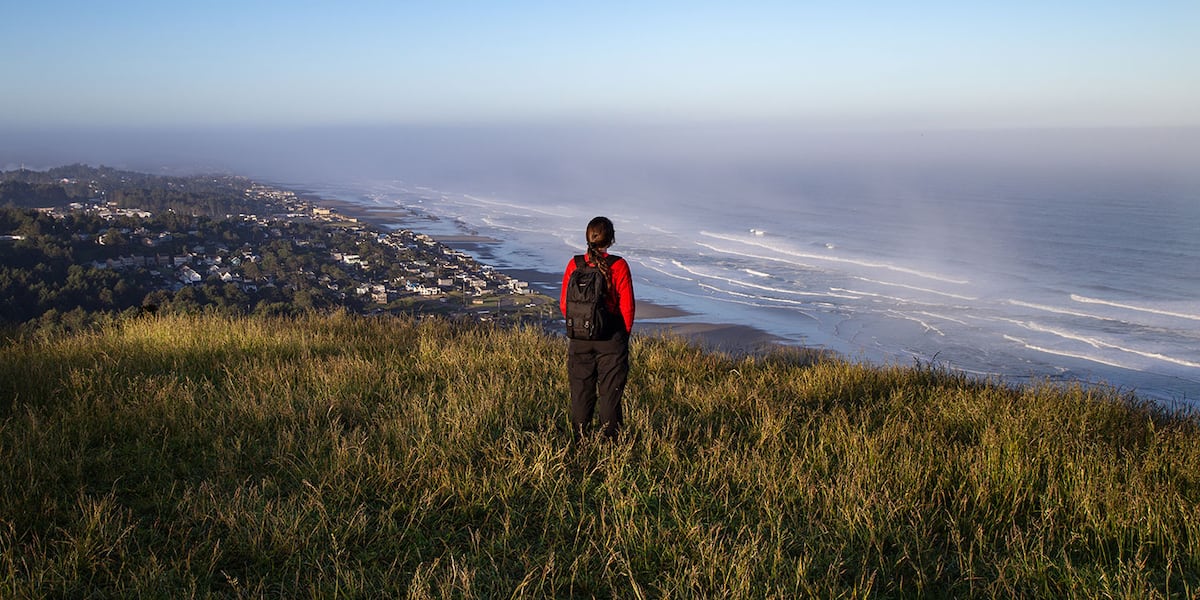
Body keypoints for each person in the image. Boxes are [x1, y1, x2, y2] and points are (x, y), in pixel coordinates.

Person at [560, 216, 635, 442]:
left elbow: (565, 304)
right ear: (611, 239)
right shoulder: (618, 265)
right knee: (610, 395)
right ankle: (610, 443)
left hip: (579, 338)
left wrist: (581, 326)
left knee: (581, 392)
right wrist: (623, 336)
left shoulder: (574, 264)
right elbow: (627, 307)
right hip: (611, 338)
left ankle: (579, 440)